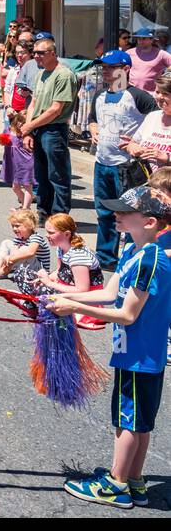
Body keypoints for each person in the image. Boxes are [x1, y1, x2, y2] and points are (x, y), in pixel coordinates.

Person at [48, 186, 171, 510]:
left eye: (124, 212)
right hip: (135, 351)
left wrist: (74, 309)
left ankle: (116, 485)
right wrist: (68, 297)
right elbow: (108, 293)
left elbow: (127, 314)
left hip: (139, 354)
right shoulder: (132, 250)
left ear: (148, 221)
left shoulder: (152, 261)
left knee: (127, 420)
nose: (115, 215)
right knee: (138, 420)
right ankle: (134, 479)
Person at [89, 50, 158, 269]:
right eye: (104, 67)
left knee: (130, 213)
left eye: (111, 67)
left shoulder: (138, 97)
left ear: (125, 69)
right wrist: (93, 129)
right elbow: (92, 119)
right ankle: (105, 257)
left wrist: (142, 144)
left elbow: (158, 120)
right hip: (102, 163)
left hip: (127, 166)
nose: (106, 71)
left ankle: (132, 256)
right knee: (104, 212)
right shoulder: (99, 95)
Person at [21, 37, 78, 218]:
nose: (36, 56)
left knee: (58, 175)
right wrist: (28, 130)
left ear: (53, 53)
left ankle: (60, 215)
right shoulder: (41, 74)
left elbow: (55, 110)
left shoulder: (64, 75)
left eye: (41, 53)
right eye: (35, 53)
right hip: (39, 128)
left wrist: (29, 126)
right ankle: (44, 212)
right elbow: (33, 104)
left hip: (54, 129)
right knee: (42, 175)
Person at [33, 213, 104, 328]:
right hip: (68, 288)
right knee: (29, 279)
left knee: (43, 294)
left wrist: (49, 283)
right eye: (47, 232)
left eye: (51, 232)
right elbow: (60, 272)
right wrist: (46, 278)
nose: (47, 235)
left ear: (66, 234)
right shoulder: (61, 248)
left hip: (86, 300)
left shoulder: (78, 257)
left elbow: (82, 290)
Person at [0, 208, 51, 293]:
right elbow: (15, 250)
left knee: (24, 249)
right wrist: (7, 257)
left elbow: (30, 252)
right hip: (26, 265)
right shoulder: (20, 238)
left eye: (17, 226)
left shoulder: (36, 237)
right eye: (12, 226)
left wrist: (11, 258)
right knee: (7, 242)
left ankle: (5, 270)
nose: (14, 229)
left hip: (39, 270)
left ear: (30, 226)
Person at [0, 110, 37, 211]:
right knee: (15, 187)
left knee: (27, 187)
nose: (20, 124)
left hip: (26, 163)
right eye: (19, 121)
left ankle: (25, 208)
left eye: (24, 122)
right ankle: (25, 206)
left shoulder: (26, 135)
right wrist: (2, 140)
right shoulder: (8, 130)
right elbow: (3, 141)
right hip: (14, 163)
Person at [128, 28, 171, 93]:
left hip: (151, 94)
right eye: (139, 39)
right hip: (132, 92)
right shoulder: (129, 53)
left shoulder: (161, 54)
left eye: (144, 38)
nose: (141, 41)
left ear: (152, 40)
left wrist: (165, 79)